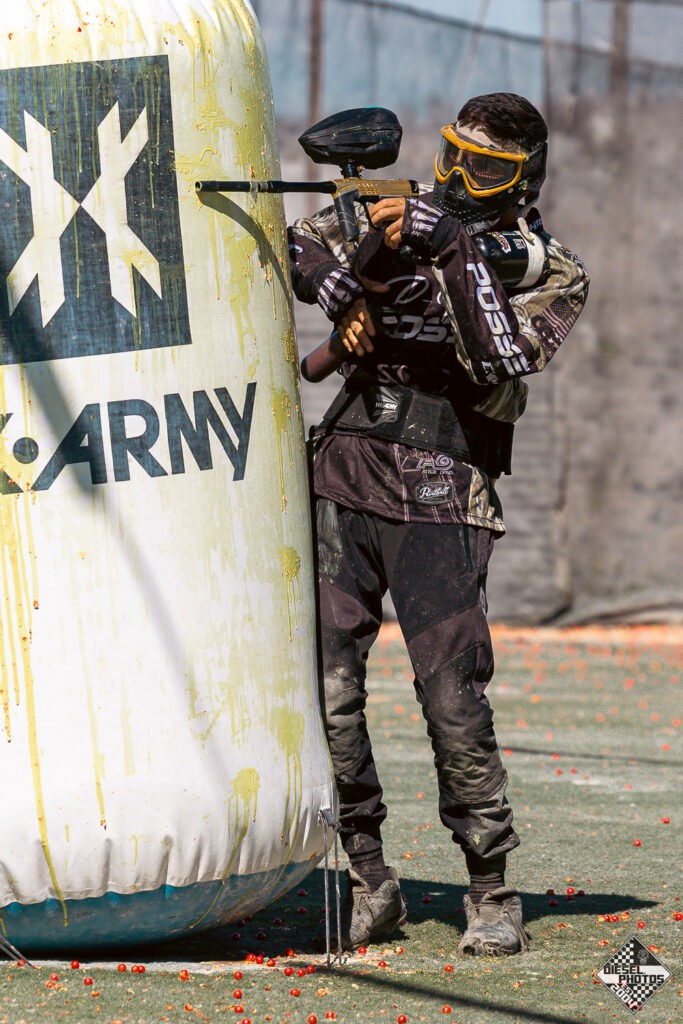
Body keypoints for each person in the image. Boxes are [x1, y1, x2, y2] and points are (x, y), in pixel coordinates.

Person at [288, 92, 589, 956]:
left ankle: (490, 889)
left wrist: (451, 247)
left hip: (444, 490)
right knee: (327, 690)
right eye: (453, 152)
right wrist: (348, 293)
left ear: (522, 180)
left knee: (451, 697)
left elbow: (503, 355)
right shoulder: (397, 214)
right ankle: (368, 877)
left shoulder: (555, 271)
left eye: (483, 167)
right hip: (344, 471)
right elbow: (303, 243)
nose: (457, 174)